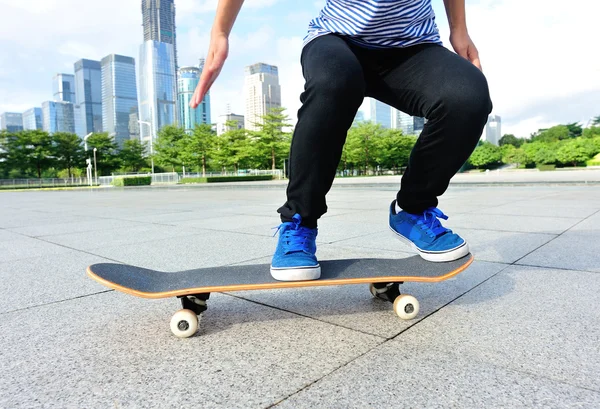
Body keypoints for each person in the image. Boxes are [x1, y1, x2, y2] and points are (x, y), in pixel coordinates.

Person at [190, 0, 493, 282]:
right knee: (334, 83)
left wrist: (459, 30)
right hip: (337, 38)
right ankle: (299, 220)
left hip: (413, 47)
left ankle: (412, 210)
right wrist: (220, 31)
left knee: (468, 97)